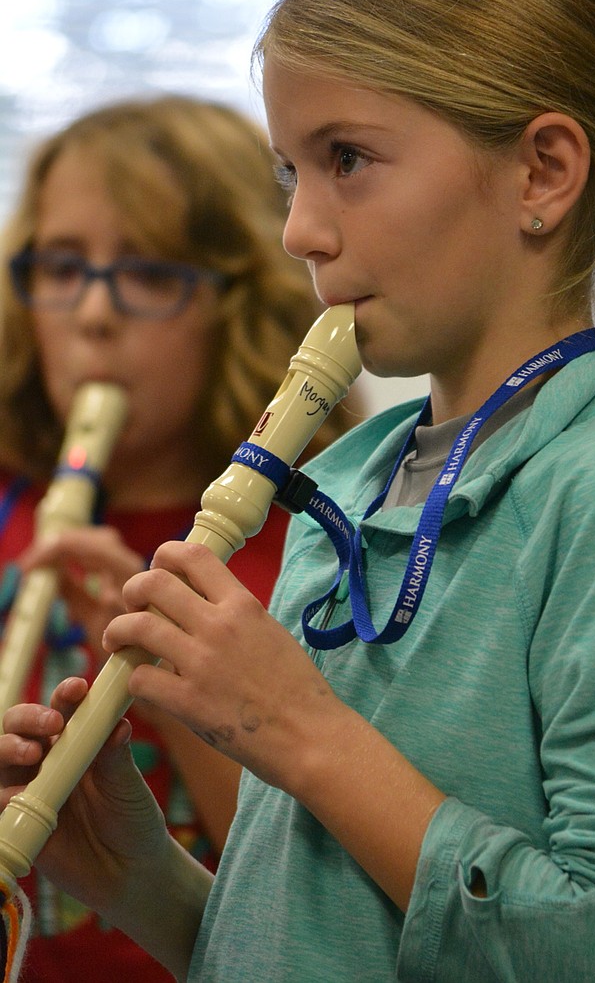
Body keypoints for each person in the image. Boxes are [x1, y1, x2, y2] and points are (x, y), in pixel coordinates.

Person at [0, 0, 595, 983]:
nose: (301, 229)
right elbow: (329, 941)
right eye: (290, 174)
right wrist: (138, 878)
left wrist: (302, 732)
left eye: (346, 158)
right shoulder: (347, 480)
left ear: (542, 173)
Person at [0, 94, 357, 982]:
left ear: (242, 302)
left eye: (151, 274)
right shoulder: (11, 510)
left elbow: (307, 895)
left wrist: (161, 666)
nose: (92, 315)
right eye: (62, 266)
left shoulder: (310, 551)